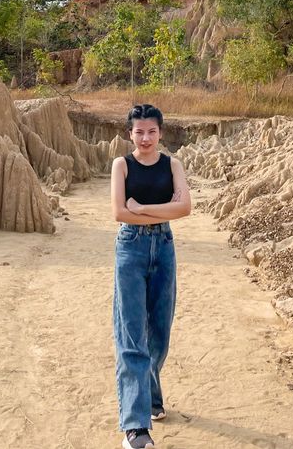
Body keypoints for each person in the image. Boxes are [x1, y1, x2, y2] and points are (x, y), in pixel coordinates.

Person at [111, 104, 191, 449]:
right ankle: (135, 426)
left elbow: (185, 208)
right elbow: (118, 212)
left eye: (151, 131)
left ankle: (151, 395)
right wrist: (160, 210)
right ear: (130, 133)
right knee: (132, 335)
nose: (145, 138)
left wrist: (141, 208)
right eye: (138, 131)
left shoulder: (172, 164)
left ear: (161, 133)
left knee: (159, 332)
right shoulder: (121, 166)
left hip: (165, 246)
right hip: (130, 249)